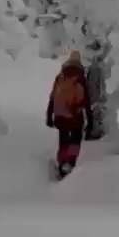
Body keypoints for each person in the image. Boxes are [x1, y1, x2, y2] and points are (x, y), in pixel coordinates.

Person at [45, 50, 91, 178]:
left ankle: (62, 162)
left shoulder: (60, 77)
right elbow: (86, 102)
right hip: (75, 116)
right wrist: (90, 121)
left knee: (63, 140)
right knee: (75, 140)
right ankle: (71, 163)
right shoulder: (80, 78)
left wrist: (49, 116)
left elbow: (53, 97)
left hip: (60, 115)